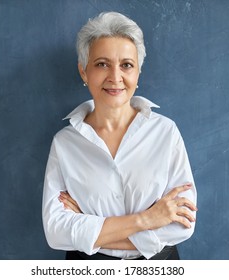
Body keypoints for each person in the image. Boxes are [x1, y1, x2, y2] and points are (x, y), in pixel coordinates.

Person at [42, 11, 197, 260]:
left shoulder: (166, 132)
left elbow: (182, 225)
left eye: (126, 65)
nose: (115, 77)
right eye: (102, 64)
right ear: (84, 72)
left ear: (138, 72)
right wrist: (148, 219)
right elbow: (56, 231)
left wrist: (89, 228)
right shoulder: (65, 143)